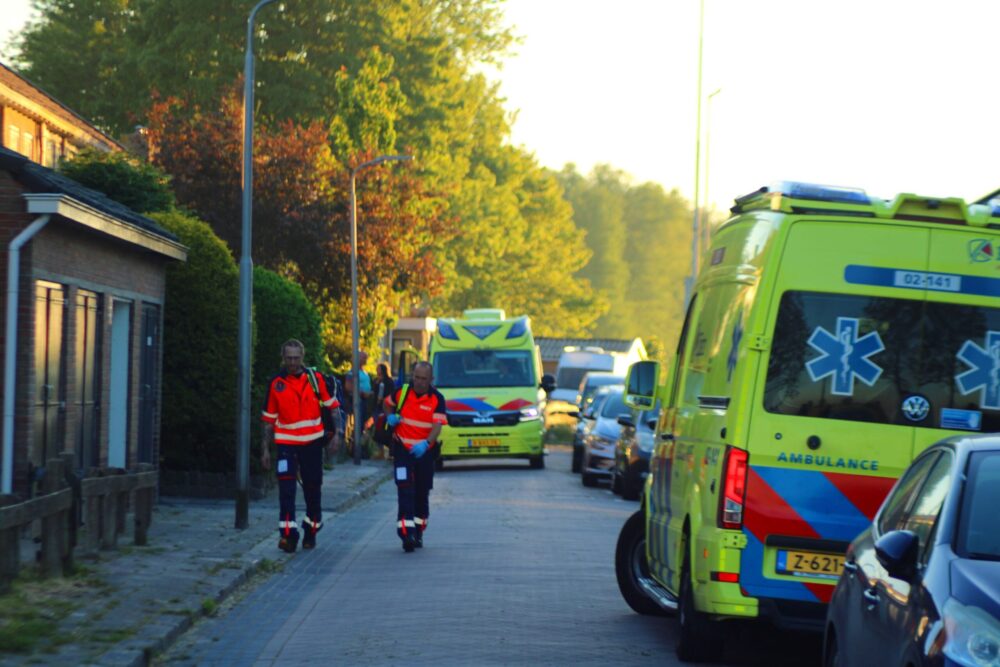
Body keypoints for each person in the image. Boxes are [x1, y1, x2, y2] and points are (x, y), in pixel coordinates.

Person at [260, 339, 339, 553]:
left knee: (312, 489)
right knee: (286, 491)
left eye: (296, 358)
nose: (292, 362)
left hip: (312, 444)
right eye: (289, 358)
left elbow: (333, 408)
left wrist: (336, 435)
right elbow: (268, 420)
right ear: (283, 358)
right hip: (286, 445)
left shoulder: (315, 380)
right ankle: (288, 535)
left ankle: (311, 529)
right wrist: (265, 449)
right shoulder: (276, 384)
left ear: (302, 357)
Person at [383, 361, 446, 552]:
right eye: (416, 377)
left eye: (423, 379)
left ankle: (418, 530)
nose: (418, 382)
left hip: (424, 452)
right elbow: (387, 404)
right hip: (403, 449)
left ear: (431, 380)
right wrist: (389, 416)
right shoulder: (402, 392)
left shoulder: (437, 398)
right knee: (405, 489)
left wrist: (426, 443)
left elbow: (437, 425)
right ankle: (406, 533)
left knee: (421, 492)